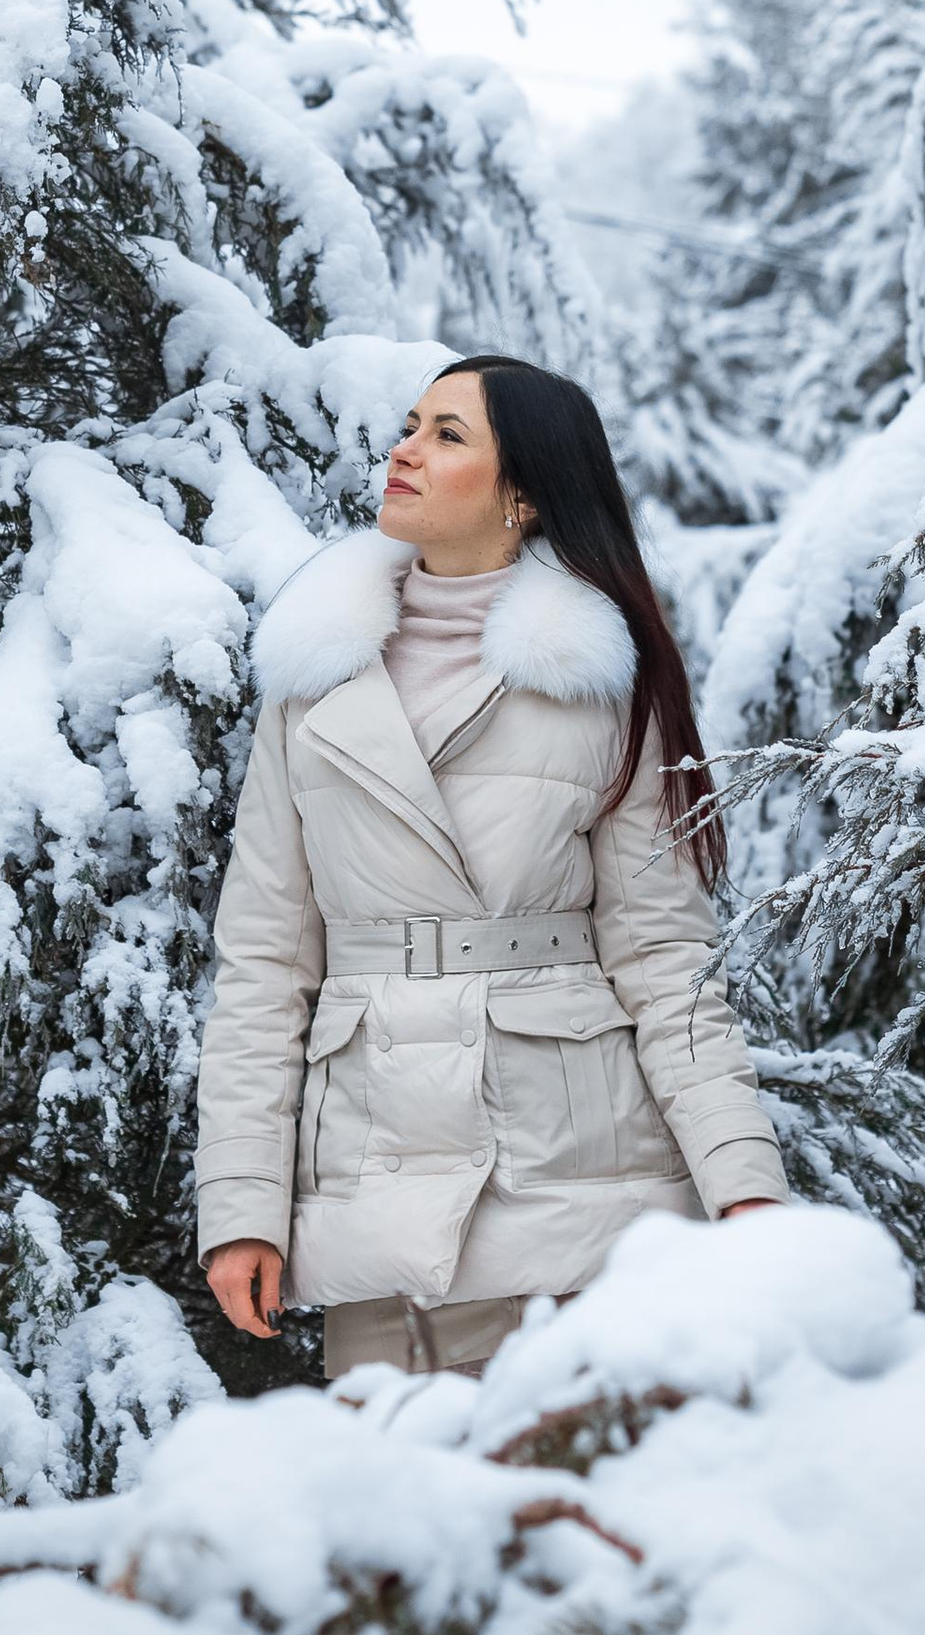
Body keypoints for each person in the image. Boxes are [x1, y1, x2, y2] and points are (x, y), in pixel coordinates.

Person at [196, 352, 787, 1381]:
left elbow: (663, 961)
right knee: (395, 1480)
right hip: (376, 1198)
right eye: (409, 426)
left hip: (578, 1194)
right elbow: (262, 963)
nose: (405, 451)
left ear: (523, 495)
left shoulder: (599, 681)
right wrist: (241, 1208)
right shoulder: (308, 679)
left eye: (447, 434)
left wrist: (743, 1184)